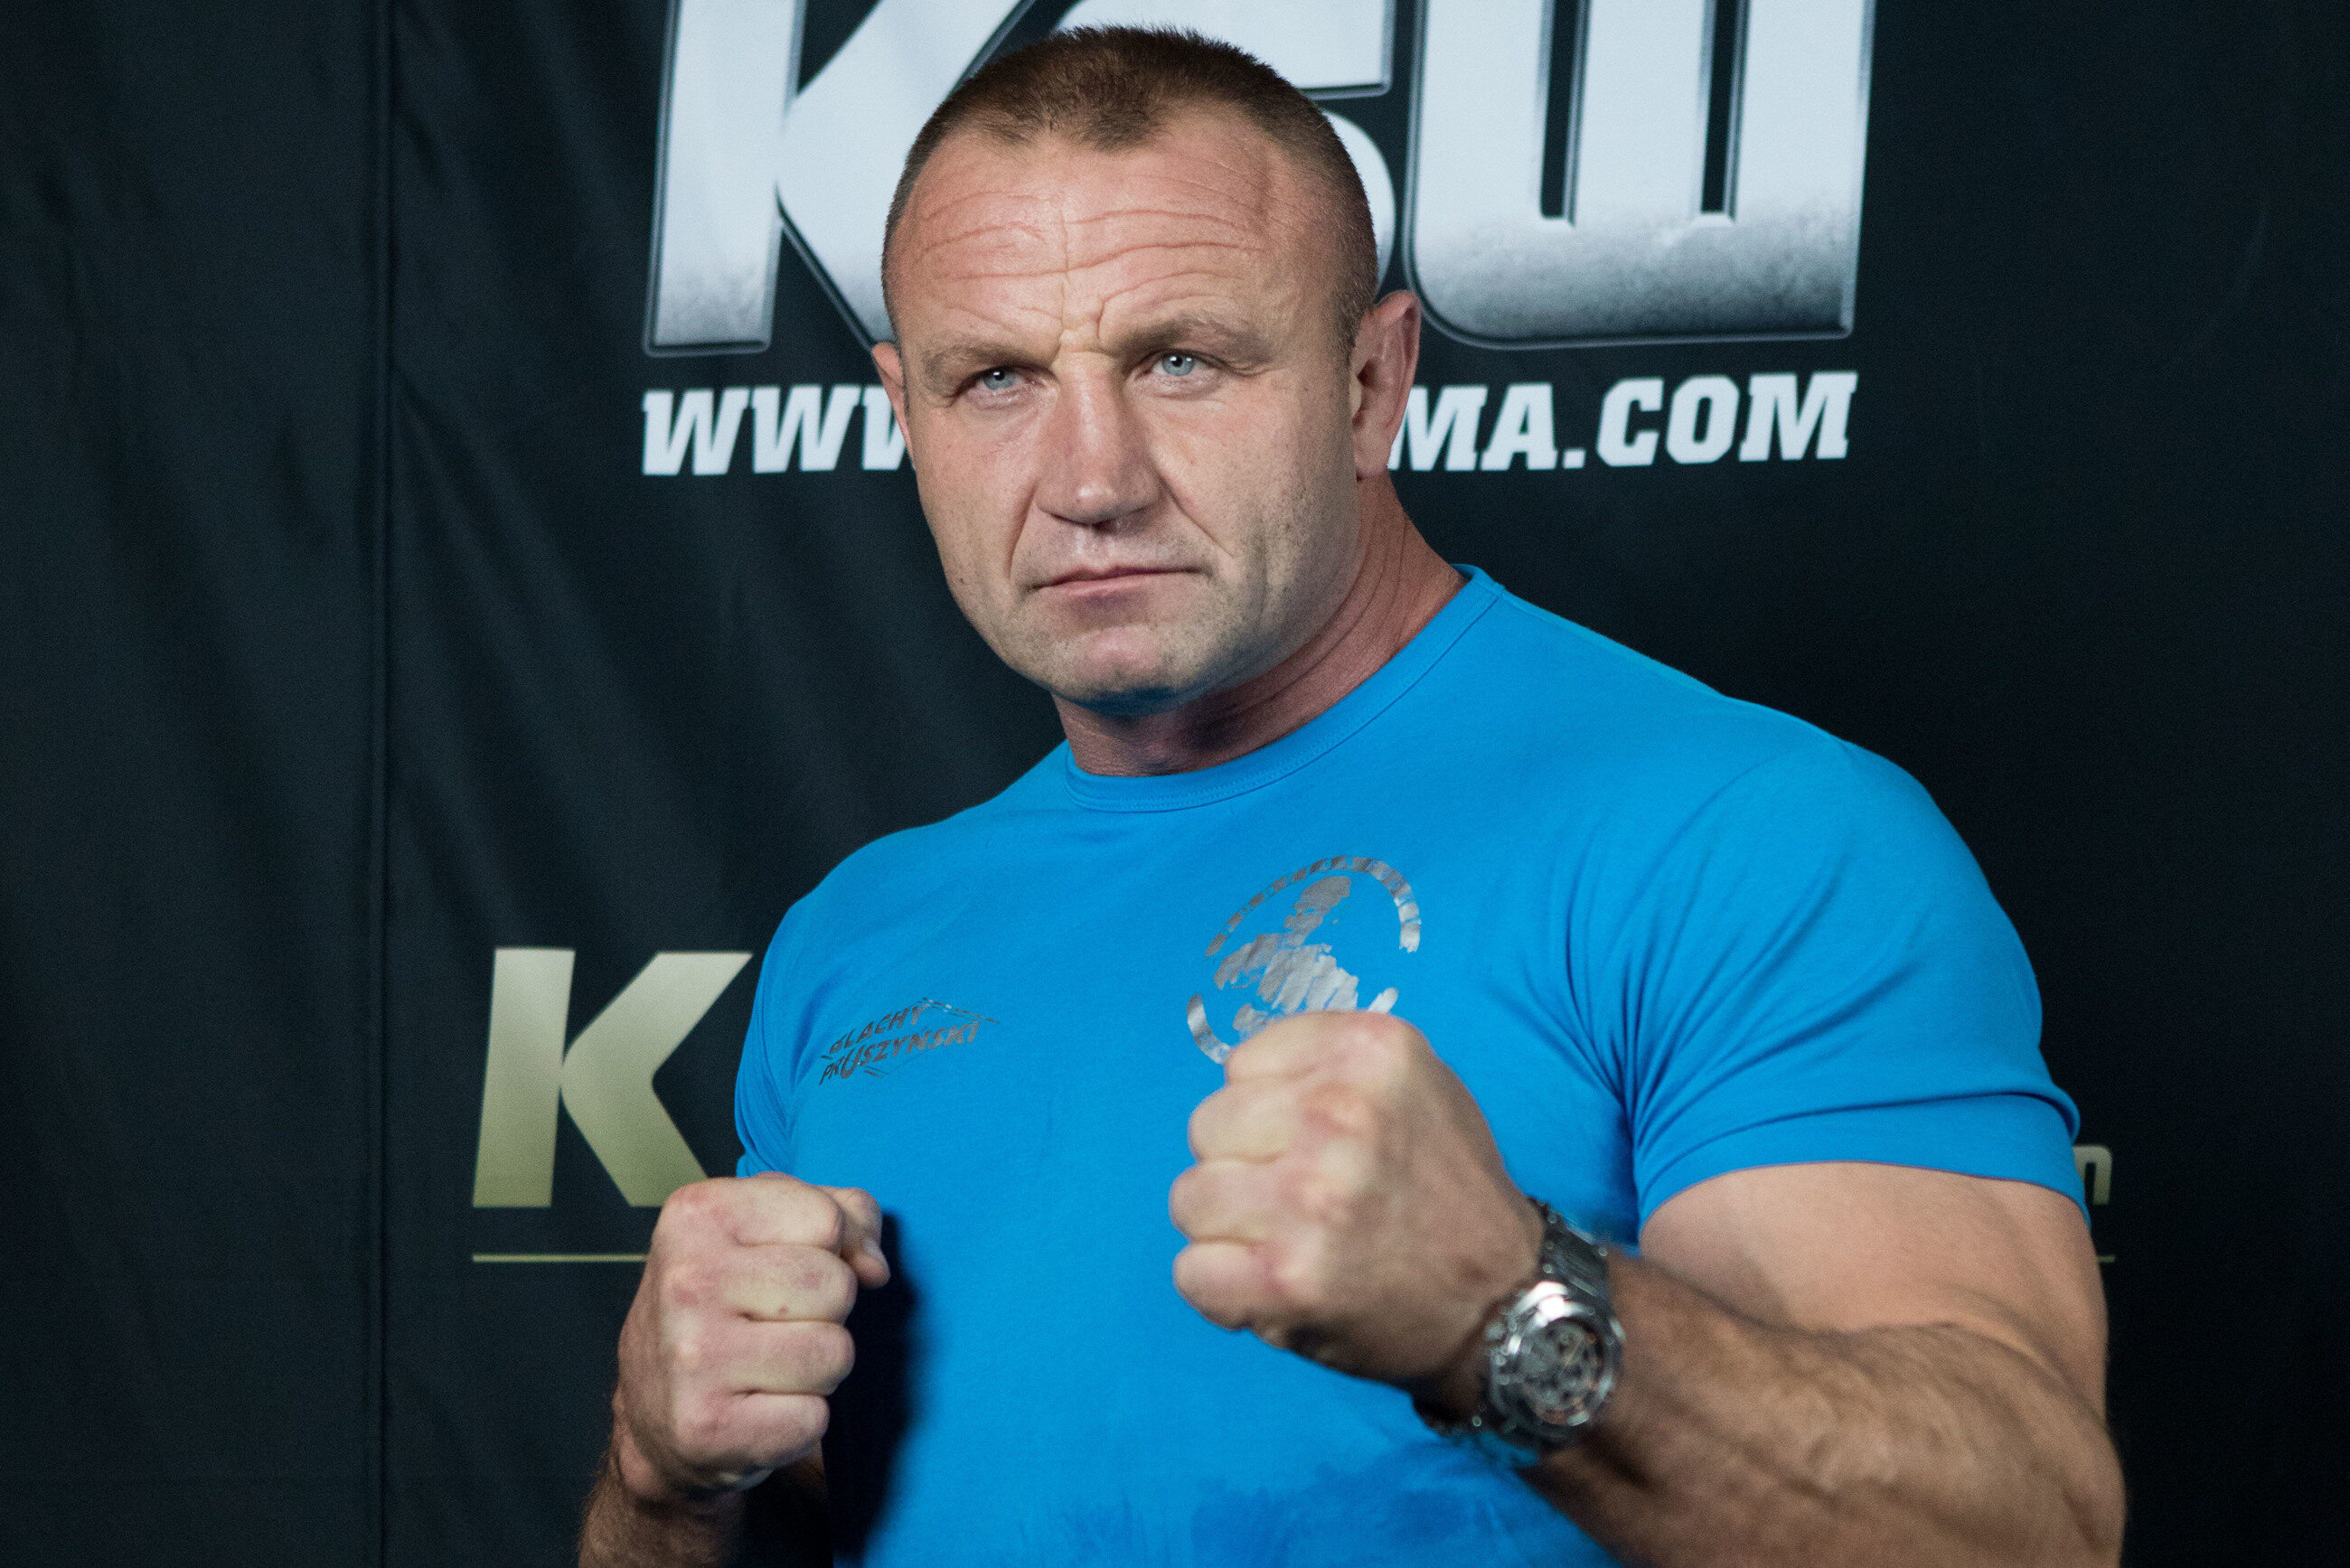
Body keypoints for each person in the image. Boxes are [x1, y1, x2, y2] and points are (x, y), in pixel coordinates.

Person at [580, 26, 2123, 1568]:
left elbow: (2025, 1531)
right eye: (997, 380)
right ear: (905, 414)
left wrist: (1503, 1309)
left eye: (1181, 361)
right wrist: (659, 1486)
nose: (1091, 478)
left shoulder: (1744, 839)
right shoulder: (860, 938)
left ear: (1374, 382)